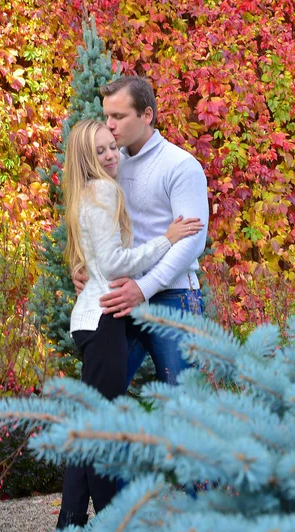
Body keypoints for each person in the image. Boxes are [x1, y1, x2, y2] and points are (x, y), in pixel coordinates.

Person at [56, 119, 203, 529]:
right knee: (101, 427)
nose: (111, 155)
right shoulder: (103, 190)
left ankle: (71, 522)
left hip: (92, 318)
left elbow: (94, 258)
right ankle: (109, 524)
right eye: (101, 150)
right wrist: (168, 239)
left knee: (91, 424)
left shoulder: (84, 193)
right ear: (87, 157)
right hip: (104, 318)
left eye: (112, 147)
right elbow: (115, 263)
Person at [74, 76, 209, 385]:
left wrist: (145, 288)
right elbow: (89, 218)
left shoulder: (180, 165)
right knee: (102, 393)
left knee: (182, 404)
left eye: (118, 116)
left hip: (173, 298)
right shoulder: (109, 162)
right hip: (121, 299)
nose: (109, 125)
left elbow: (192, 240)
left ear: (146, 115)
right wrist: (82, 266)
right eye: (107, 116)